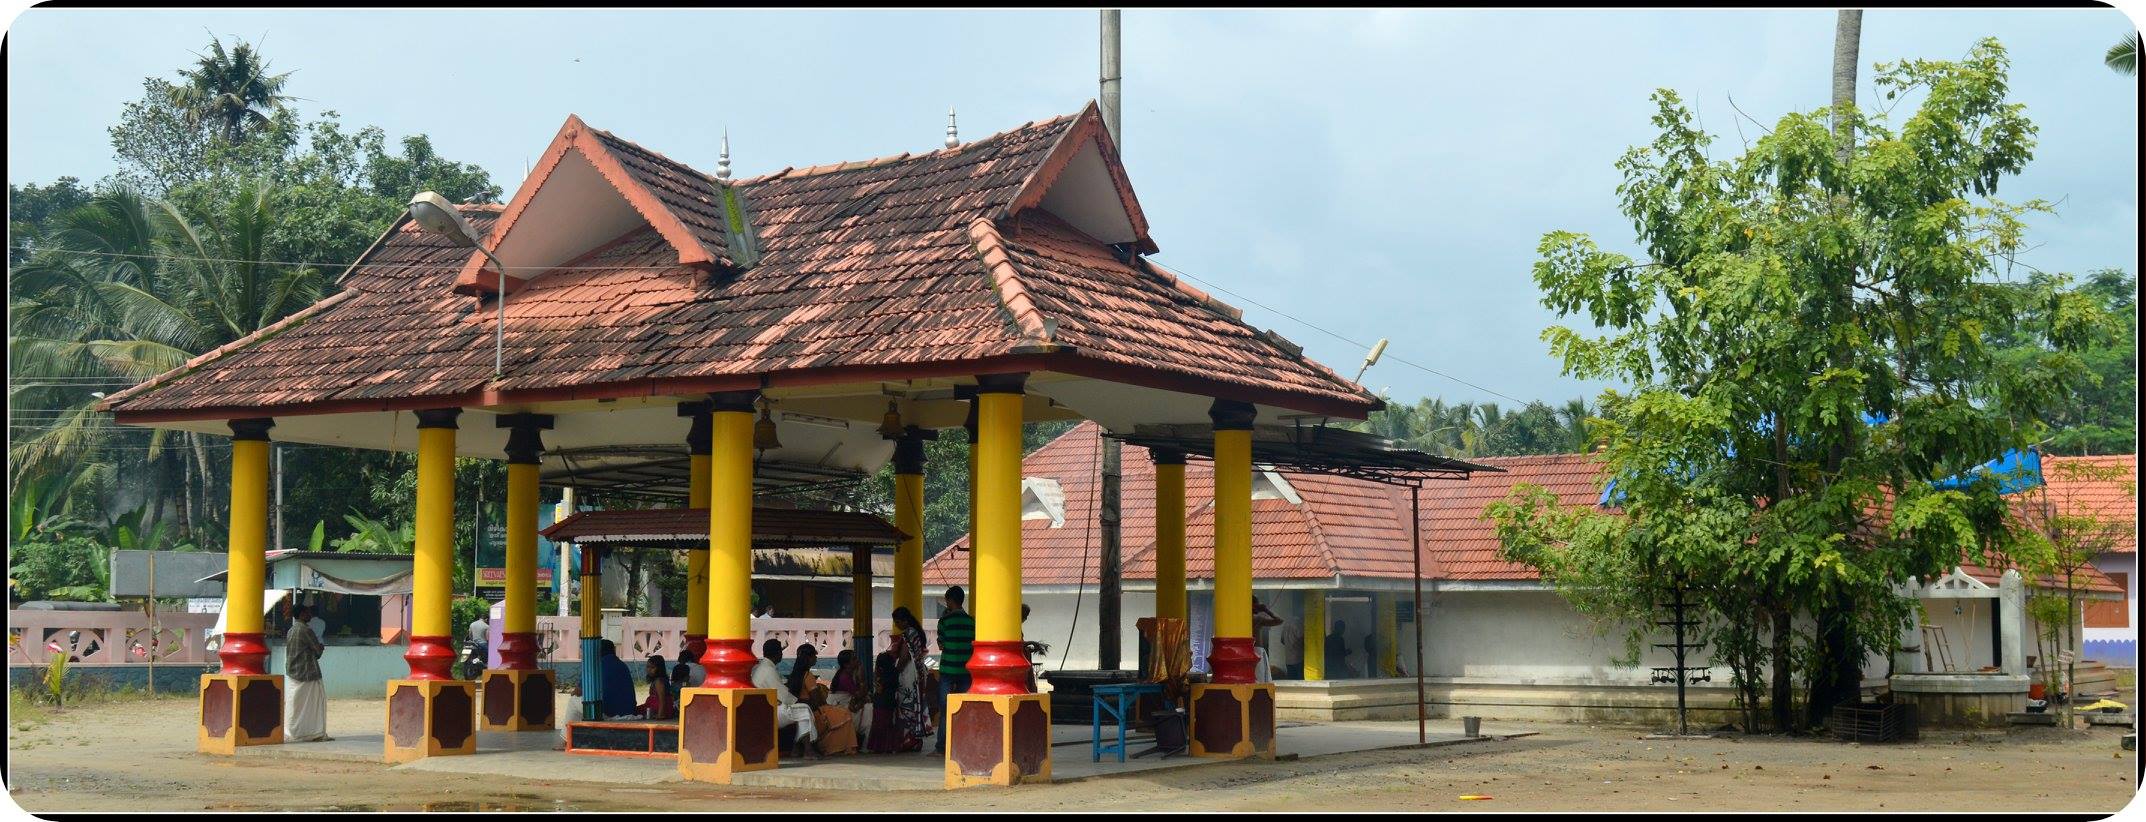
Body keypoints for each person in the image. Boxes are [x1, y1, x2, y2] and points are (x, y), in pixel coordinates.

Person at [752, 638, 819, 758]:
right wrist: (799, 700)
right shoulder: (768, 670)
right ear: (777, 654)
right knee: (804, 709)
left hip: (764, 708)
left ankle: (797, 749)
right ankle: (807, 750)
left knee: (802, 711)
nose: (782, 655)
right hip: (768, 713)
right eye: (781, 652)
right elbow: (785, 696)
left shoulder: (763, 667)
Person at [932, 586, 975, 754]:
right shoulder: (972, 622)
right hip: (966, 671)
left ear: (950, 600)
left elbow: (941, 645)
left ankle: (941, 747)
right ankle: (963, 744)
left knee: (945, 709)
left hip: (948, 670)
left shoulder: (944, 622)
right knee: (964, 707)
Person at [889, 607, 934, 751]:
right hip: (919, 673)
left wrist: (895, 672)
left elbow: (904, 656)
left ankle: (909, 739)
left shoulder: (908, 633)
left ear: (904, 620)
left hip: (909, 673)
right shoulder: (917, 632)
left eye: (897, 622)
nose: (896, 625)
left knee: (906, 706)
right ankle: (915, 739)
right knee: (916, 704)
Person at [284, 604, 330, 742]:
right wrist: (321, 648)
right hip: (308, 672)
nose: (310, 615)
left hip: (293, 673)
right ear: (303, 614)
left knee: (294, 704)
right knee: (316, 704)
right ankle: (314, 732)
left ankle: (295, 731)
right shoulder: (305, 630)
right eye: (308, 612)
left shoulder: (291, 630)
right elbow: (317, 651)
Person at [596, 639, 638, 719]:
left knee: (574, 701)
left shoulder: (597, 665)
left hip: (609, 712)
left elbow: (578, 691)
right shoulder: (622, 665)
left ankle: (568, 730)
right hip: (629, 711)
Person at [1252, 597, 1285, 684]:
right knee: (1261, 678)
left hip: (1244, 650)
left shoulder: (1242, 618)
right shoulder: (1257, 619)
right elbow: (1279, 621)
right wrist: (1266, 610)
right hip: (1257, 651)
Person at [638, 654, 674, 720]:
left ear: (659, 669)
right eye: (648, 667)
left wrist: (660, 715)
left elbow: (662, 700)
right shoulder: (656, 680)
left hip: (659, 709)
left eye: (652, 667)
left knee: (636, 710)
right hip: (655, 706)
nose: (649, 670)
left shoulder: (658, 681)